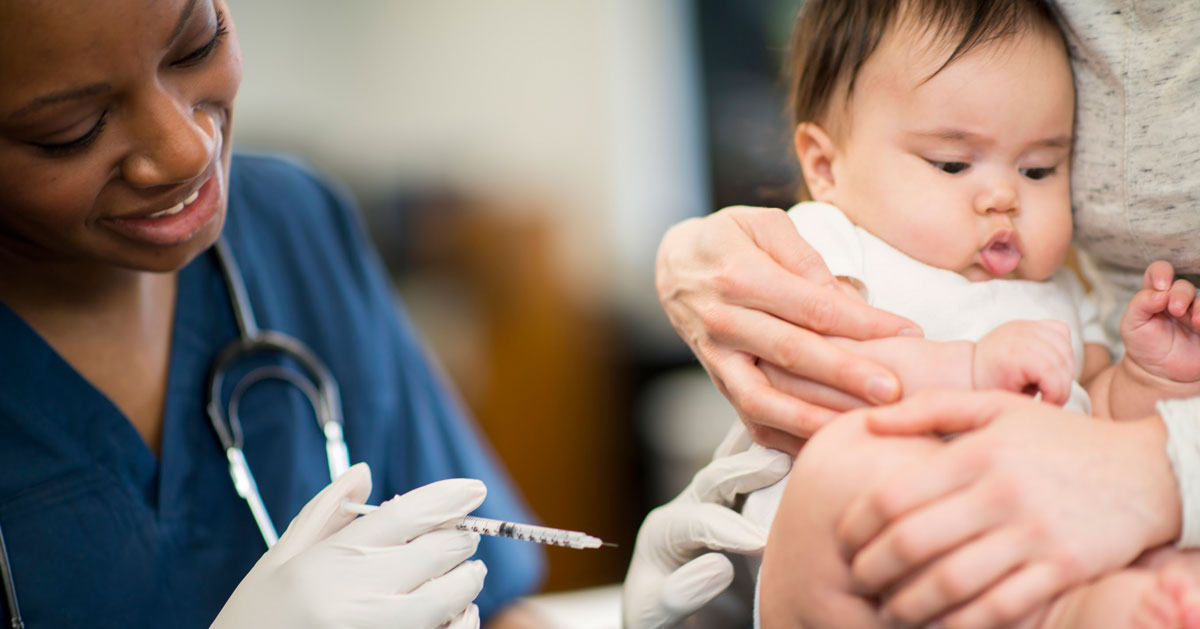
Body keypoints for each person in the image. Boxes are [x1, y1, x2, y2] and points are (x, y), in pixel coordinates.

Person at [627, 1, 1200, 628]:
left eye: (1039, 169)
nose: (1003, 197)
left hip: (1034, 543)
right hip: (858, 567)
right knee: (849, 465)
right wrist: (975, 368)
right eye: (952, 164)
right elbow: (819, 372)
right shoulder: (832, 247)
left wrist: (1151, 380)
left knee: (1156, 557)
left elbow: (1097, 415)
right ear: (826, 166)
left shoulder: (1060, 290)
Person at [0, 1, 545, 628]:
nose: (186, 151)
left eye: (197, 46)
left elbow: (499, 607)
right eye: (70, 129)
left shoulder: (294, 227)